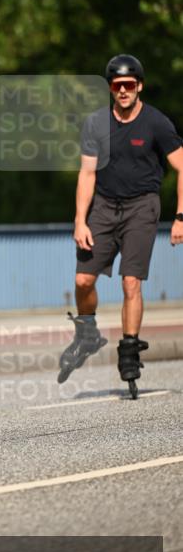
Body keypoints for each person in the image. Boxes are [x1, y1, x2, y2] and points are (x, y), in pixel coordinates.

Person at [59, 54, 183, 396]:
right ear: (110, 88)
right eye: (117, 85)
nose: (124, 90)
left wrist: (180, 216)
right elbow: (87, 173)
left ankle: (129, 351)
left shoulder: (156, 123)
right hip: (103, 207)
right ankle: (87, 332)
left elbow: (182, 166)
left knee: (131, 282)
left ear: (139, 86)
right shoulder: (96, 124)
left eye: (129, 84)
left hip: (142, 206)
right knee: (83, 281)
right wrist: (80, 220)